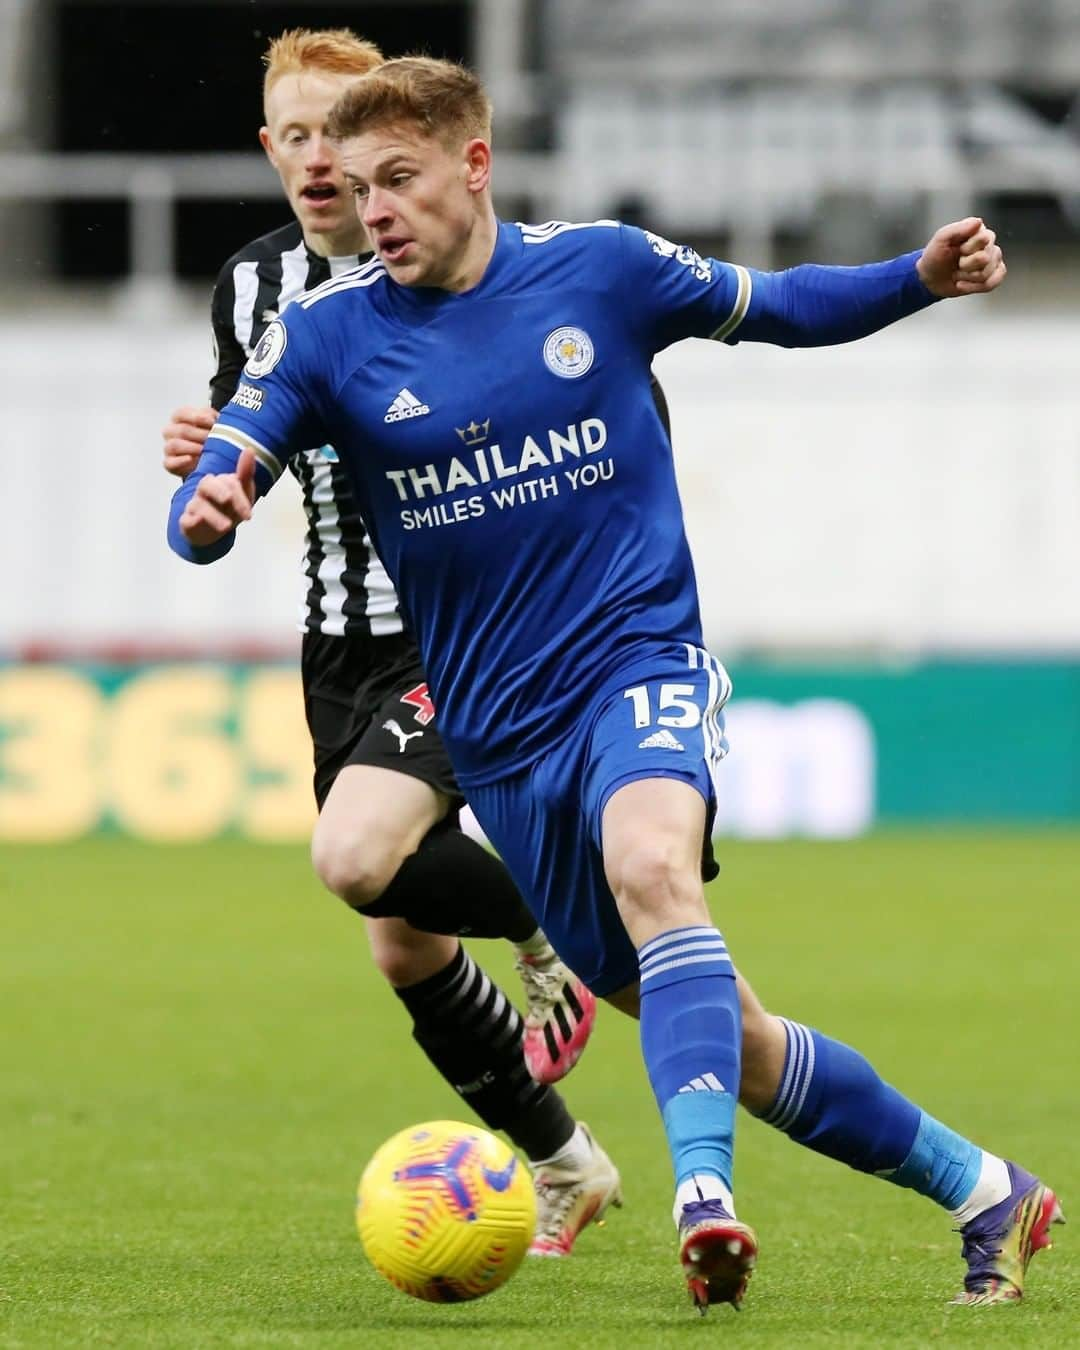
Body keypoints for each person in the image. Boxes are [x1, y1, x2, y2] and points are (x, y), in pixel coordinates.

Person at [167, 56, 1063, 1311]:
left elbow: (781, 303)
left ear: (474, 167)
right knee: (741, 1047)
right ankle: (989, 1193)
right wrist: (208, 511)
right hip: (499, 738)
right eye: (359, 187)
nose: (372, 211)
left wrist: (916, 278)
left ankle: (704, 1199)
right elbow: (220, 478)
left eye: (399, 181)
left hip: (635, 658)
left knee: (655, 867)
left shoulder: (601, 269)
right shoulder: (325, 333)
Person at [162, 29, 622, 1259]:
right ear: (270, 149)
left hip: (451, 628)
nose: (322, 162)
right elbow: (258, 441)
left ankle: (550, 925)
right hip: (335, 639)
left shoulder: (421, 267)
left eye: (341, 138)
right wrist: (216, 468)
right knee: (400, 937)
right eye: (297, 137)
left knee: (356, 855)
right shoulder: (251, 288)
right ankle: (569, 1165)